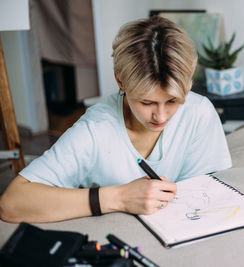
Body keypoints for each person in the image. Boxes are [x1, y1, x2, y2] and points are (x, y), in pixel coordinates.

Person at [0, 16, 231, 223]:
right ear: (120, 81)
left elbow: (210, 192)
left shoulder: (198, 112)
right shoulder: (95, 130)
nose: (161, 117)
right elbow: (11, 203)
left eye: (172, 101)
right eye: (147, 102)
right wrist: (119, 197)